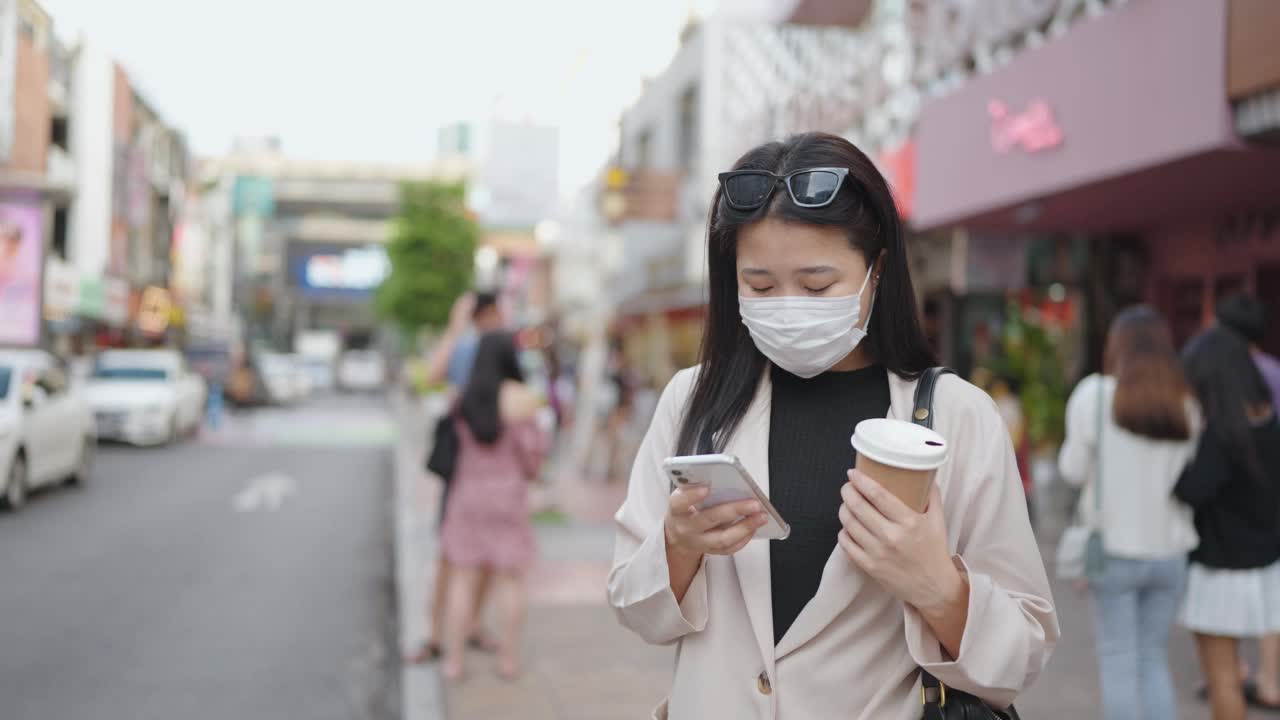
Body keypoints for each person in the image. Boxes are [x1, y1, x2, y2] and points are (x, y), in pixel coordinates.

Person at [608, 132, 1058, 718]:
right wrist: (676, 545)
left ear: (878, 270)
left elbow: (1023, 651)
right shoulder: (692, 400)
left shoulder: (957, 414)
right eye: (760, 286)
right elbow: (633, 605)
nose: (788, 304)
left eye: (818, 285)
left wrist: (936, 585)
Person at [1057, 306, 1199, 720]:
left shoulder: (1095, 394)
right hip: (1171, 554)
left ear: (1116, 346)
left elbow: (1071, 470)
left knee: (1119, 660)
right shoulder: (1185, 404)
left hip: (1114, 552)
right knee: (1152, 658)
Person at [1176, 326, 1280, 720]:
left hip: (1221, 570)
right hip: (1264, 563)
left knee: (1222, 680)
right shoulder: (1267, 422)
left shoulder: (1223, 433)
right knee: (1229, 679)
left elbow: (1192, 489)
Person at [439, 331, 547, 681]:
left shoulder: (463, 397)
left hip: (467, 498)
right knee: (510, 580)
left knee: (462, 579)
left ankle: (454, 662)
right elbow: (533, 463)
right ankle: (509, 661)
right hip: (508, 500)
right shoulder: (520, 401)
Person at [407, 290, 506, 665]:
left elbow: (433, 376)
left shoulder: (485, 346)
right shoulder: (473, 347)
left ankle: (454, 631)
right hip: (479, 468)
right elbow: (432, 376)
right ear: (491, 313)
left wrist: (454, 327)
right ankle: (448, 631)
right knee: (460, 553)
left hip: (477, 468)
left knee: (466, 553)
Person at [1215, 293, 1280, 709]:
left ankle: (1234, 670)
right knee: (1271, 593)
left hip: (1234, 497)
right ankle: (1271, 678)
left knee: (1230, 592)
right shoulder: (1275, 371)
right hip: (1272, 494)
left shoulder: (1227, 373)